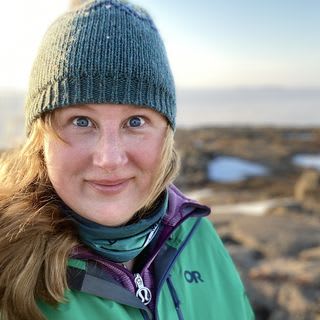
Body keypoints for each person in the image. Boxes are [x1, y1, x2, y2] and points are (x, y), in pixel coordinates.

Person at [0, 1, 254, 319]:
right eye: (81, 121)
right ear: (40, 140)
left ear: (166, 136)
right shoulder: (5, 268)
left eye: (135, 122)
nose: (109, 158)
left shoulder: (195, 234)